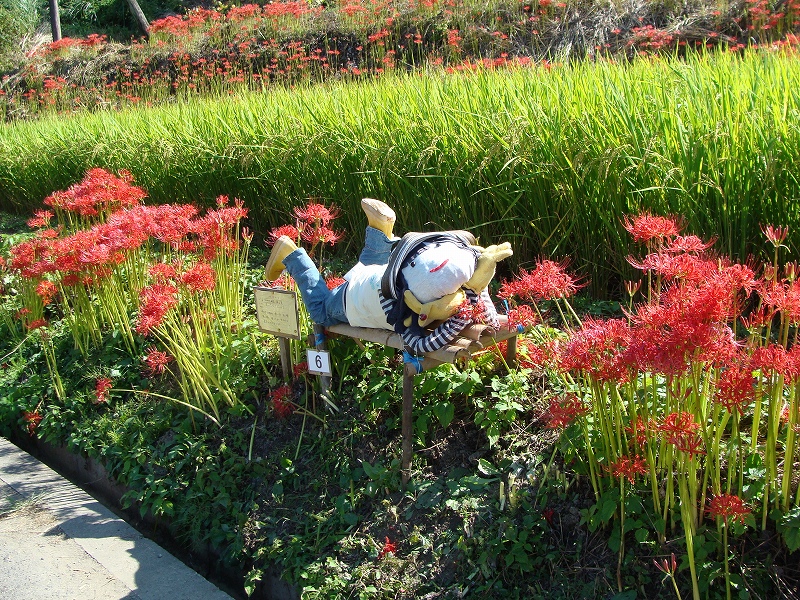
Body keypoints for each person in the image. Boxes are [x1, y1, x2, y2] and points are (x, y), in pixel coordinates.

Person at [264, 198, 512, 354]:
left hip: (382, 275)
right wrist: (470, 302)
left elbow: (477, 295)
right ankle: (292, 253)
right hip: (354, 299)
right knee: (321, 312)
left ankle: (380, 229)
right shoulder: (407, 311)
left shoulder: (424, 280)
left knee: (371, 265)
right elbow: (422, 342)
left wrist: (475, 293)